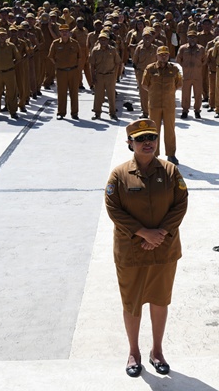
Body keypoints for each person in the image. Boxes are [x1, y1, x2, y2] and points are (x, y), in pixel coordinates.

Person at [105, 119, 188, 378]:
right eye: (140, 139)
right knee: (132, 303)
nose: (147, 142)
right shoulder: (119, 174)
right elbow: (113, 208)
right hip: (131, 251)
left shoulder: (170, 171)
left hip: (163, 249)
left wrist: (160, 234)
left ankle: (157, 351)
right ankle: (133, 352)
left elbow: (181, 203)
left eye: (151, 137)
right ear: (130, 143)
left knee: (160, 300)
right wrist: (143, 233)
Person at [141, 46, 182, 165]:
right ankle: (154, 154)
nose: (163, 56)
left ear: (168, 56)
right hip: (154, 104)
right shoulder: (150, 69)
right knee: (154, 130)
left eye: (166, 54)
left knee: (170, 130)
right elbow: (144, 84)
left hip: (169, 104)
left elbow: (179, 84)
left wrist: (168, 93)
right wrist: (155, 92)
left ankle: (171, 154)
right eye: (161, 54)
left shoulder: (174, 69)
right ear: (157, 55)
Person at [48, 24, 81, 120]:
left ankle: (74, 113)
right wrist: (58, 65)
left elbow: (79, 56)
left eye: (66, 31)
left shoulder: (74, 43)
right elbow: (51, 57)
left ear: (69, 32)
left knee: (74, 93)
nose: (64, 33)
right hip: (61, 72)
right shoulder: (55, 43)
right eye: (62, 31)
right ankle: (61, 112)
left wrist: (76, 67)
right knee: (61, 93)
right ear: (59, 33)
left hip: (73, 71)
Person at [90, 31, 121, 120]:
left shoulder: (113, 50)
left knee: (111, 95)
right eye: (101, 40)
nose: (103, 42)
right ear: (99, 40)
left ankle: (112, 113)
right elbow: (92, 65)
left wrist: (115, 75)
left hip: (110, 76)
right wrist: (93, 77)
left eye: (105, 40)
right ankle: (97, 112)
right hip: (99, 75)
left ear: (108, 41)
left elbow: (117, 63)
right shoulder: (95, 50)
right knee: (98, 95)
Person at [176, 30, 206, 119]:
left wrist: (198, 66)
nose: (192, 39)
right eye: (190, 37)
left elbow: (204, 60)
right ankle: (185, 111)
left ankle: (197, 111)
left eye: (194, 37)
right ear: (187, 38)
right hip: (186, 75)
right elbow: (178, 59)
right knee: (185, 94)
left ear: (196, 38)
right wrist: (185, 66)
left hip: (197, 75)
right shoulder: (183, 48)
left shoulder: (201, 49)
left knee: (198, 94)